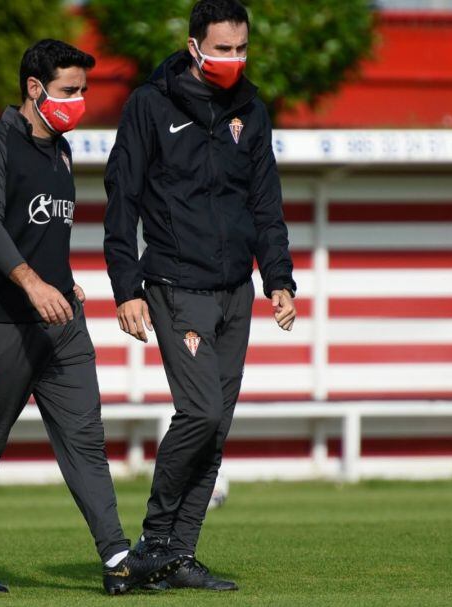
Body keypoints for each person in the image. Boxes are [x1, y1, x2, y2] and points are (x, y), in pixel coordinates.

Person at [0, 38, 178, 595]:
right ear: (34, 88)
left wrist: (61, 277)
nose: (79, 100)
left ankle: (118, 558)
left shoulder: (63, 151)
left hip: (62, 324)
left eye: (83, 90)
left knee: (86, 441)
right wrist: (30, 281)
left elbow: (42, 228)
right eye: (69, 90)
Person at [103, 0, 297, 592]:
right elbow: (122, 199)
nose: (232, 60)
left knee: (218, 428)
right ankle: (154, 539)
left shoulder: (251, 110)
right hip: (174, 285)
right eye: (221, 49)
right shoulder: (149, 105)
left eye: (241, 49)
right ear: (194, 48)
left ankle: (178, 556)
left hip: (237, 290)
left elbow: (266, 203)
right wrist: (125, 287)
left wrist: (280, 279)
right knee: (201, 412)